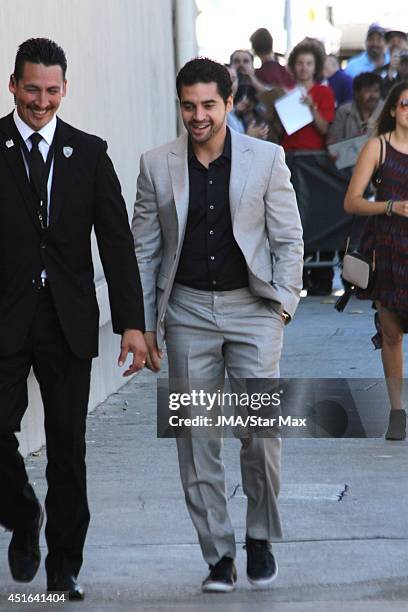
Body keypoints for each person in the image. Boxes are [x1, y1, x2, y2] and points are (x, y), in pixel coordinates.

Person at [132, 58, 303, 593]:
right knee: (196, 440)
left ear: (229, 103)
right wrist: (144, 326)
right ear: (179, 104)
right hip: (185, 313)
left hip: (253, 311)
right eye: (189, 105)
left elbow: (290, 240)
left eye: (209, 104)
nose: (198, 115)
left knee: (260, 436)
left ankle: (259, 536)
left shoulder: (267, 158)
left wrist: (282, 309)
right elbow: (144, 250)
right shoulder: (156, 164)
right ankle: (218, 556)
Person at [0, 38, 147, 599]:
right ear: (13, 85)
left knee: (67, 448)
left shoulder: (88, 153)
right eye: (32, 89)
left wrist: (130, 322)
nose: (41, 101)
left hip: (67, 322)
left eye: (52, 90)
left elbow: (116, 242)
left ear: (66, 89)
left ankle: (64, 565)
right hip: (5, 318)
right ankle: (20, 512)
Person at [344, 81, 408, 441]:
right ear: (394, 108)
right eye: (404, 103)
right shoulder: (378, 147)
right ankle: (397, 410)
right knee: (391, 333)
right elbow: (351, 201)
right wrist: (389, 206)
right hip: (387, 247)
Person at [283, 41, 335, 296]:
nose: (304, 68)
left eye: (308, 63)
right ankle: (297, 275)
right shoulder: (286, 93)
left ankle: (322, 275)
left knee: (319, 214)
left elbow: (325, 129)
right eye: (300, 63)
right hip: (289, 158)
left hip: (315, 161)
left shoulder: (323, 93)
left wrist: (311, 106)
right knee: (291, 216)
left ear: (315, 67)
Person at [328, 72, 384, 146]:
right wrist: (352, 141)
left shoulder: (386, 110)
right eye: (367, 91)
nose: (372, 95)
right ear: (356, 93)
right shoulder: (344, 111)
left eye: (376, 91)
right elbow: (332, 142)